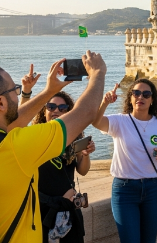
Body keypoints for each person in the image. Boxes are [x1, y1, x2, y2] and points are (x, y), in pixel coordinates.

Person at [0, 52, 107, 243]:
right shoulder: (16, 146)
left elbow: (12, 123)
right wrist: (98, 73)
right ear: (1, 102)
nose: (18, 94)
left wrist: (48, 91)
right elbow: (85, 113)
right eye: (15, 90)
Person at [95, 79, 157, 243]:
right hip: (125, 190)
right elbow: (95, 122)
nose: (140, 97)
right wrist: (104, 103)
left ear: (152, 99)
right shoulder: (120, 121)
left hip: (153, 189)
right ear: (130, 98)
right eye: (136, 93)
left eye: (146, 94)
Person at [32, 91, 96, 243]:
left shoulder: (73, 136)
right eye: (51, 106)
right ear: (44, 110)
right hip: (42, 208)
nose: (56, 111)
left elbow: (83, 171)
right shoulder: (34, 136)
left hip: (68, 206)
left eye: (62, 108)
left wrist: (85, 154)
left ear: (68, 113)